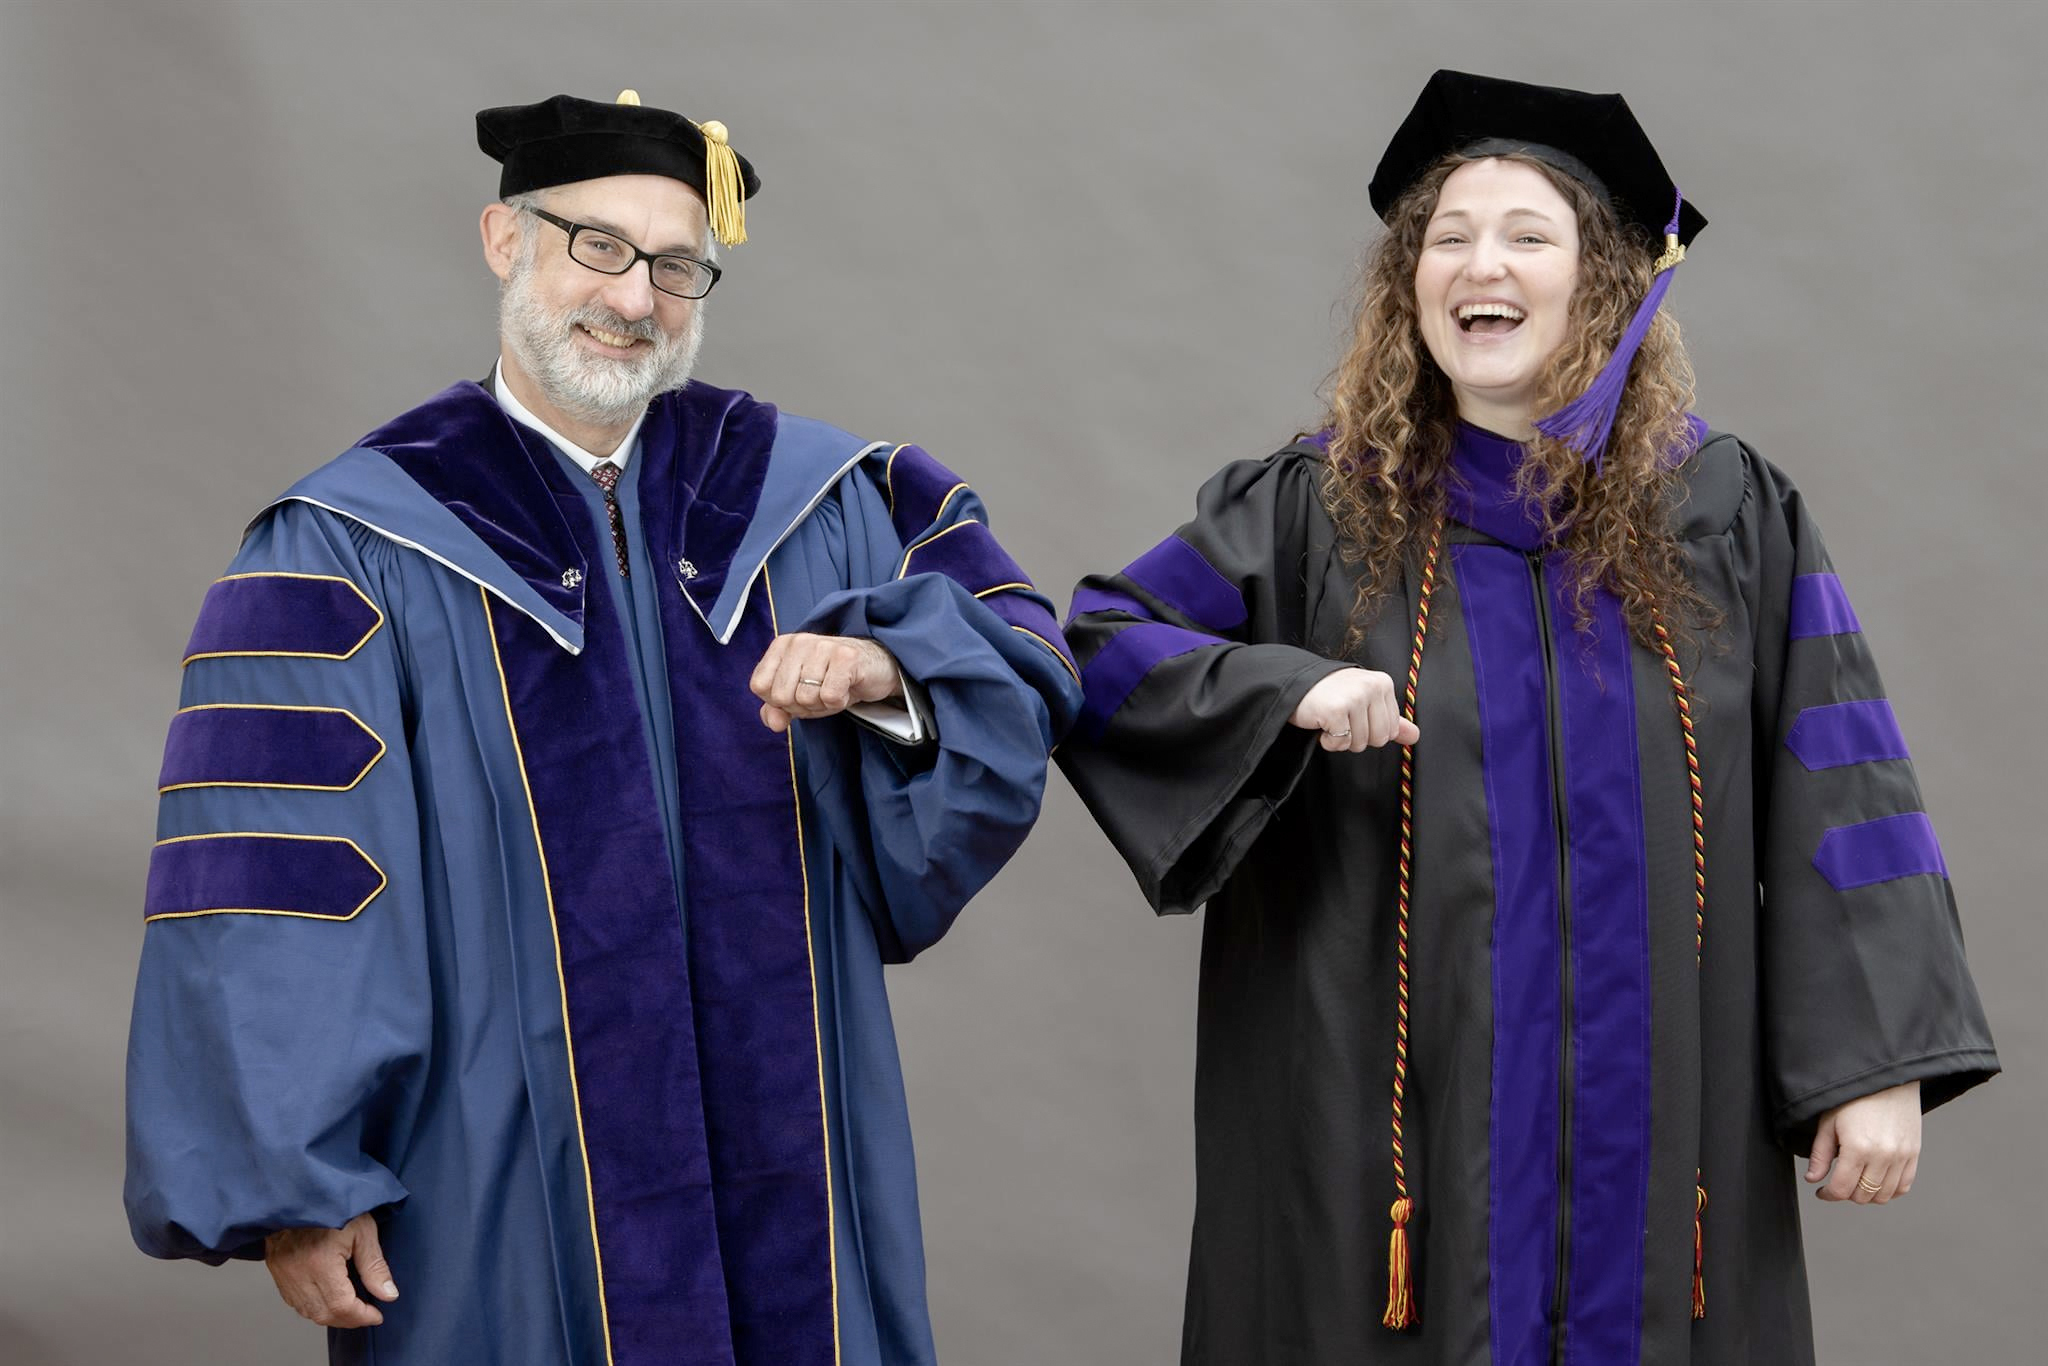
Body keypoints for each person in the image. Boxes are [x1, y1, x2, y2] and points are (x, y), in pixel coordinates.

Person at [124, 89, 1081, 1366]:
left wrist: (891, 679)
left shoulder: (831, 502)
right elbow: (270, 884)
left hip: (787, 1152)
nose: (636, 299)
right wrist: (307, 1174)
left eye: (679, 264)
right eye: (598, 246)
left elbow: (1021, 668)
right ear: (502, 239)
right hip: (494, 1173)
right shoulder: (350, 541)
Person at [1056, 70, 1998, 1365]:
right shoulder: (1318, 513)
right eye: (1447, 237)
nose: (1478, 263)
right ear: (1408, 287)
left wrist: (1875, 1057)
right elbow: (1098, 652)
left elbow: (1838, 776)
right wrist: (1285, 691)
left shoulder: (1724, 515)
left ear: (1605, 280)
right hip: (1386, 1153)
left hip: (1664, 1145)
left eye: (1525, 236)